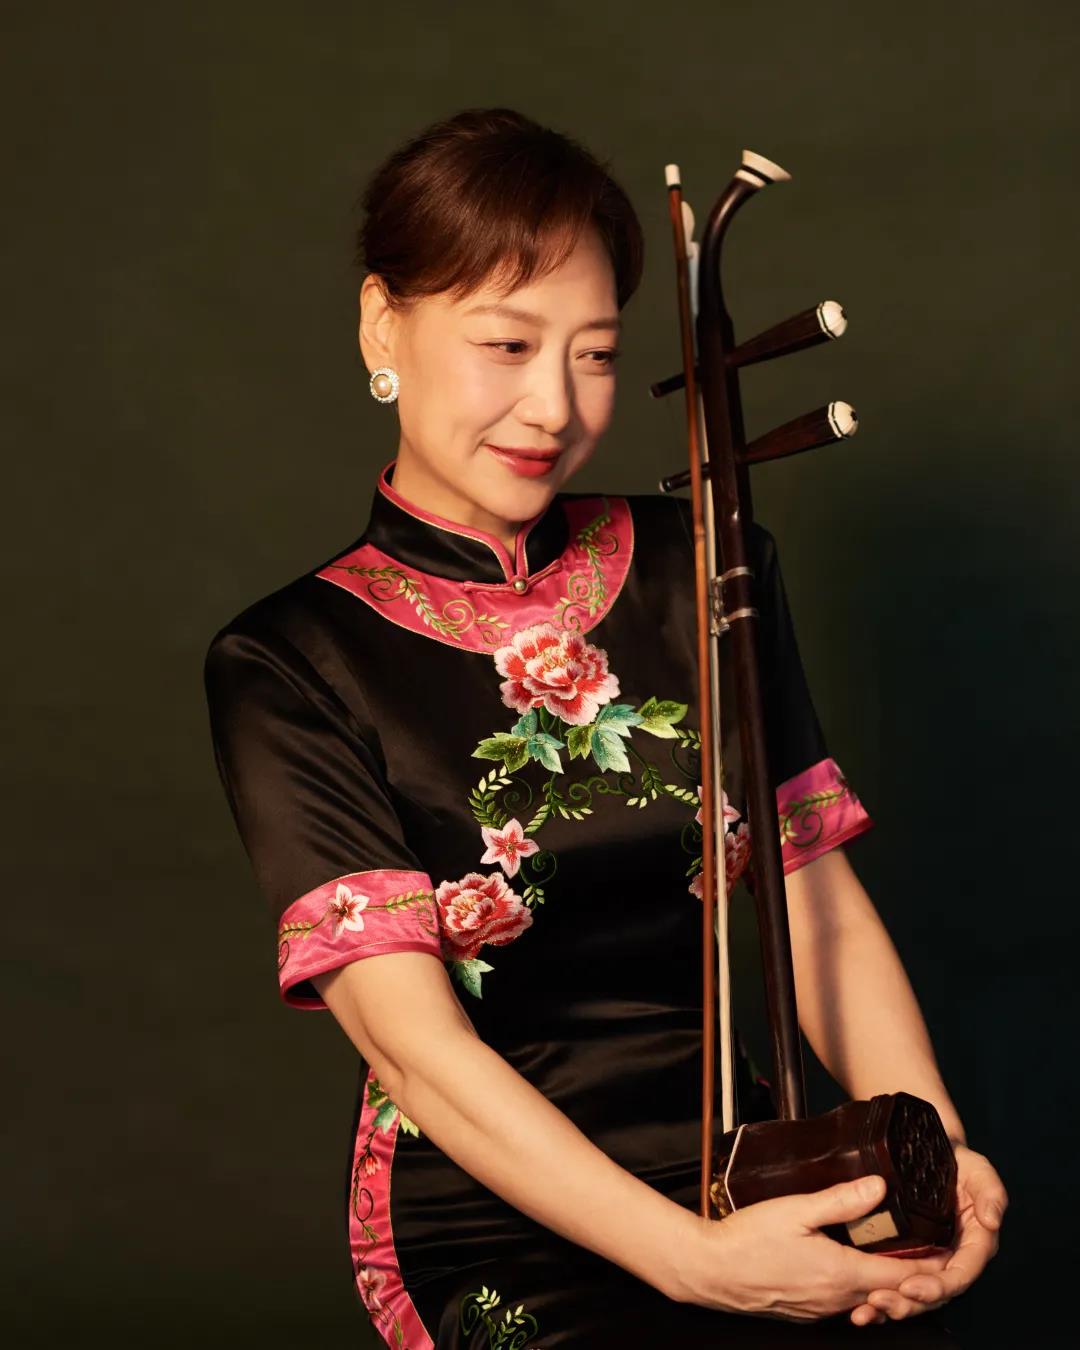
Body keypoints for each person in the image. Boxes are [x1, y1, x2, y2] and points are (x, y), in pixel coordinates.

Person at [203, 107, 1006, 1348]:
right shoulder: (291, 659)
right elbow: (415, 1053)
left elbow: (818, 911)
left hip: (755, 1168)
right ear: (382, 326)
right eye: (507, 344)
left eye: (593, 354)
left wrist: (925, 1161)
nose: (554, 407)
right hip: (497, 1210)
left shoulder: (704, 563)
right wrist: (696, 1267)